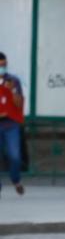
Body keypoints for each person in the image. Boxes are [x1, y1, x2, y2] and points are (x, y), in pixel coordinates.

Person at [0, 52, 26, 198]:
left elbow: (19, 103)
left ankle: (15, 179)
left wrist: (11, 92)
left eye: (4, 65)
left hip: (10, 124)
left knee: (14, 156)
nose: (2, 68)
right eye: (0, 65)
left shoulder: (13, 81)